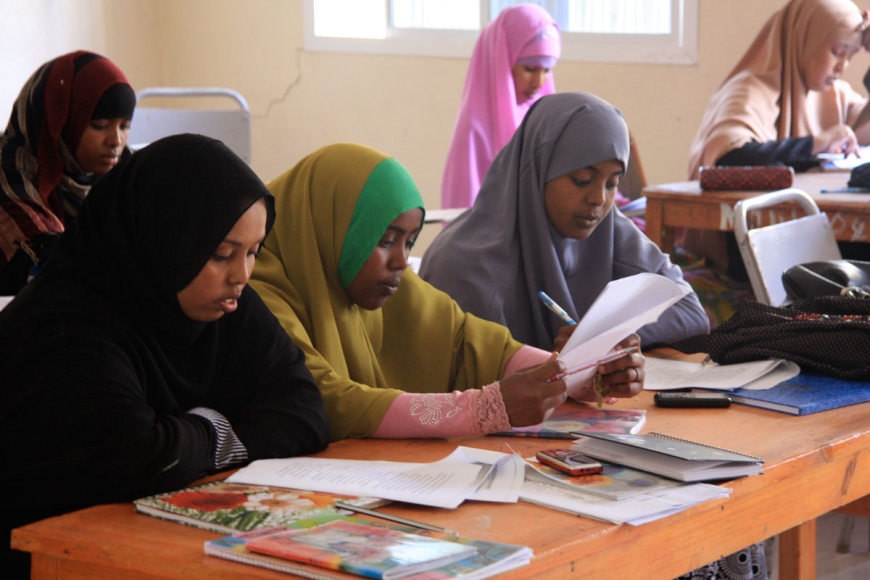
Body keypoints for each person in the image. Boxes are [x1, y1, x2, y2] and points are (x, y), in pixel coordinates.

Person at [0, 134, 330, 578]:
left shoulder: (225, 300)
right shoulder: (63, 323)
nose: (242, 275)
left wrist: (192, 440)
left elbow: (305, 412)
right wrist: (225, 432)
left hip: (158, 544)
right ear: (162, 236)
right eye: (221, 254)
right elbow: (135, 454)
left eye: (253, 252)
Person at [247, 142, 645, 442]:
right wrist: (484, 409)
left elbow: (470, 342)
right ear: (330, 229)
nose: (403, 261)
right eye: (385, 240)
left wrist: (586, 370)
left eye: (409, 242)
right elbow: (328, 400)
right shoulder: (256, 292)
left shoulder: (384, 282)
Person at [420, 92, 709, 352]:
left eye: (612, 184)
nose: (598, 199)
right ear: (537, 172)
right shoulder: (463, 268)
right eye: (582, 180)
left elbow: (689, 311)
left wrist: (607, 337)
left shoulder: (608, 230)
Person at [684, 0, 870, 271]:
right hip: (750, 239)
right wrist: (816, 143)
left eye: (850, 56)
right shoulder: (749, 89)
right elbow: (729, 159)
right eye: (836, 52)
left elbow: (863, 133)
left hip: (807, 227)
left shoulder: (833, 94)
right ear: (803, 40)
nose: (842, 66)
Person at [0, 50, 136, 294]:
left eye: (125, 126)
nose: (116, 141)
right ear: (60, 121)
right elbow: (47, 261)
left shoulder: (128, 173)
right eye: (100, 126)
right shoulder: (8, 176)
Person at [440, 4, 560, 209]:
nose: (539, 82)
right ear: (502, 62)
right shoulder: (475, 131)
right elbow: (463, 217)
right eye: (530, 69)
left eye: (547, 70)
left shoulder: (542, 117)